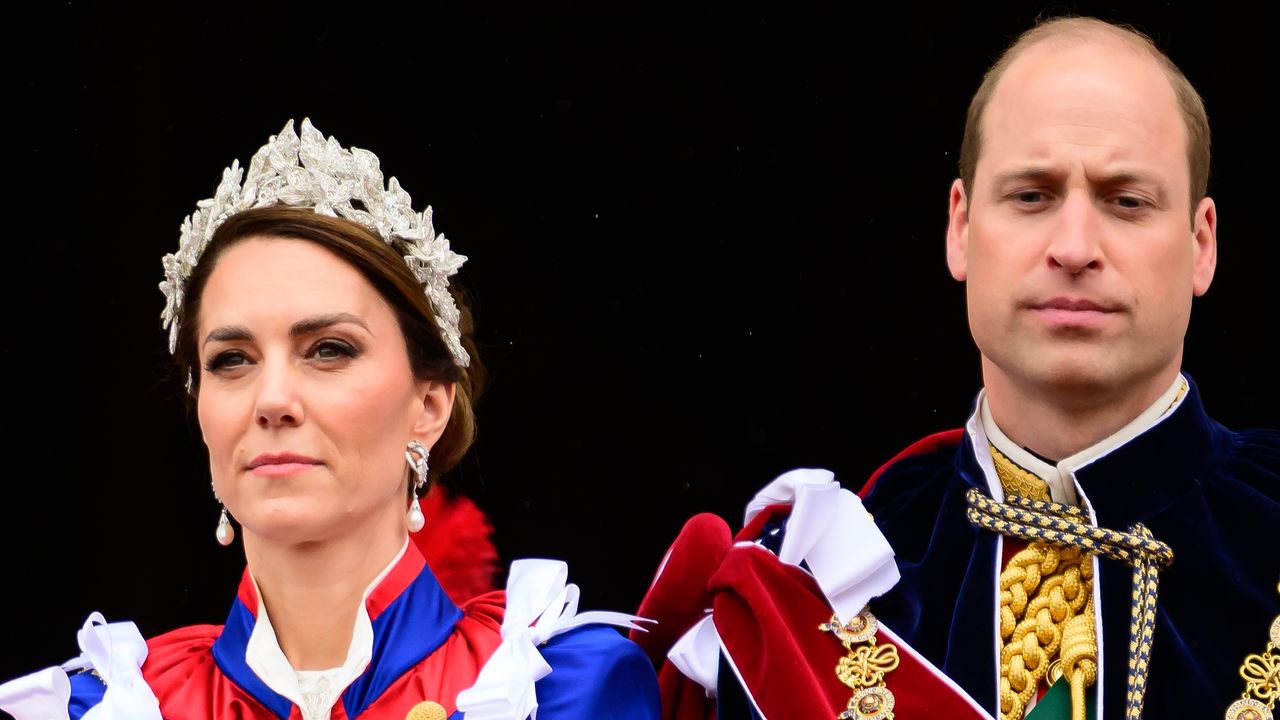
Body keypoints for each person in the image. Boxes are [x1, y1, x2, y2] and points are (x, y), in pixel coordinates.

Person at [629, 16, 1280, 720]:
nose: (1074, 246)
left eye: (1127, 201)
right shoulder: (812, 580)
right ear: (961, 229)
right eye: (1031, 195)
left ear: (1202, 244)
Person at [0, 118, 660, 720]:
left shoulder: (558, 690)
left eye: (329, 350)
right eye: (232, 359)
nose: (272, 399)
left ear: (429, 406)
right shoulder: (98, 708)